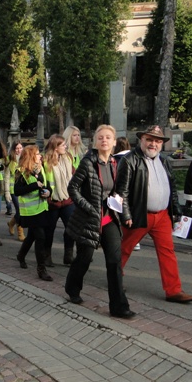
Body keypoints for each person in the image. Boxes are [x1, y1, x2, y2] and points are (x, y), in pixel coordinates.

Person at [115, 125, 192, 303]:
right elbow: (121, 191)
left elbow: (172, 188)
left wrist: (176, 209)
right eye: (149, 140)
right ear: (141, 140)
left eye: (157, 141)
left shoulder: (164, 161)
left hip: (162, 216)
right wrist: (126, 215)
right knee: (124, 249)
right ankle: (115, 279)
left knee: (167, 252)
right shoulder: (129, 160)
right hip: (139, 214)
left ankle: (173, 290)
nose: (153, 144)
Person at [65, 125, 134, 318]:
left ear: (114, 142)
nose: (104, 140)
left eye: (108, 137)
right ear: (95, 141)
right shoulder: (88, 163)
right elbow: (72, 188)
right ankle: (72, 287)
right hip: (89, 219)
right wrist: (88, 207)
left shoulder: (117, 163)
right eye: (100, 137)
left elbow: (121, 192)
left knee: (114, 262)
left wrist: (126, 215)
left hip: (109, 218)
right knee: (84, 259)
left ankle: (119, 307)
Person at [14, 145, 53, 281]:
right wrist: (34, 186)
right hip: (29, 212)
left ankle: (21, 255)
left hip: (42, 208)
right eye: (37, 154)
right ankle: (41, 269)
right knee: (40, 237)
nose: (40, 156)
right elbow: (17, 191)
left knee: (31, 236)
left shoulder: (41, 168)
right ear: (30, 156)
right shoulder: (21, 171)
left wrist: (48, 192)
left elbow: (46, 186)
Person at [43, 134, 75, 266]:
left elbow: (74, 175)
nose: (65, 147)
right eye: (63, 145)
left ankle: (68, 255)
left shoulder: (68, 158)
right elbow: (42, 180)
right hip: (52, 201)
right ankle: (46, 256)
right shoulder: (45, 162)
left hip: (67, 199)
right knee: (49, 230)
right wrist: (47, 196)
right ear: (55, 147)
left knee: (71, 228)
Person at [114, 137, 141, 251]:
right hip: (134, 190)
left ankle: (120, 237)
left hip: (119, 190)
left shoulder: (115, 159)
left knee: (119, 214)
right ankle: (136, 241)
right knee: (132, 214)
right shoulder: (135, 158)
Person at [4, 141, 24, 241]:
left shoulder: (25, 158)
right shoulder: (9, 160)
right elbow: (7, 177)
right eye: (17, 148)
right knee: (19, 211)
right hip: (13, 189)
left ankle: (11, 223)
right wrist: (7, 191)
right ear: (13, 149)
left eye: (20, 148)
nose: (19, 150)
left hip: (23, 189)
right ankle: (20, 232)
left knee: (22, 210)